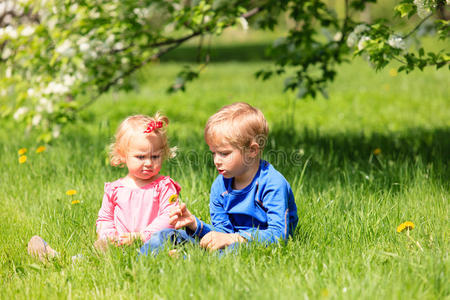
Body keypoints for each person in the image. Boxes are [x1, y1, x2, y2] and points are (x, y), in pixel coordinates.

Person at [28, 113, 182, 261]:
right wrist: (109, 237)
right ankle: (57, 258)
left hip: (151, 243)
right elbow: (105, 218)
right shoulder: (115, 189)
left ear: (163, 154)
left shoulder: (164, 186)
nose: (149, 163)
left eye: (155, 156)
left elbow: (169, 216)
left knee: (157, 252)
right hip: (120, 246)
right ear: (122, 155)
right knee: (97, 256)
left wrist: (141, 236)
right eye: (140, 157)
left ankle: (165, 256)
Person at [169, 102, 298, 252]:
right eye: (213, 153)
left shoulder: (272, 183)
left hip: (256, 243)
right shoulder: (220, 185)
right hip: (233, 240)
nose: (216, 160)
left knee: (231, 250)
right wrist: (195, 225)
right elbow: (222, 233)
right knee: (168, 235)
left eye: (224, 153)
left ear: (252, 150)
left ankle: (186, 260)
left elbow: (278, 235)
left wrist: (233, 239)